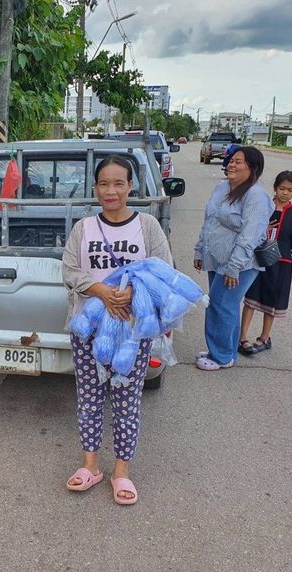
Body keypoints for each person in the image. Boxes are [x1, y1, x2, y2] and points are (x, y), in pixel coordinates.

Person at [62, 156, 173, 505]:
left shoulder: (147, 226)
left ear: (131, 186)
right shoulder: (84, 228)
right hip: (88, 330)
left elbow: (164, 271)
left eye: (118, 183)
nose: (111, 191)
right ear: (95, 188)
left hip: (132, 332)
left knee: (127, 403)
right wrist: (100, 291)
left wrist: (133, 293)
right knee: (89, 399)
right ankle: (90, 466)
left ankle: (121, 472)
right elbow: (69, 270)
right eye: (104, 184)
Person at [193, 146, 273, 371]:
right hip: (217, 258)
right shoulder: (222, 188)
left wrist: (233, 267)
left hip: (239, 264)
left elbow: (251, 236)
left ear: (253, 168)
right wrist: (200, 250)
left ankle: (221, 357)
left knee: (220, 305)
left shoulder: (256, 196)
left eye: (239, 161)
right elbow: (209, 220)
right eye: (231, 160)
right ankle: (222, 351)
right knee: (224, 306)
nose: (231, 164)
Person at [238, 171, 292, 355]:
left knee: (272, 302)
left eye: (290, 190)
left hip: (281, 263)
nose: (285, 193)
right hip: (258, 260)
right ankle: (242, 338)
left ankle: (264, 338)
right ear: (275, 187)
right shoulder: (264, 205)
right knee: (251, 299)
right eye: (282, 188)